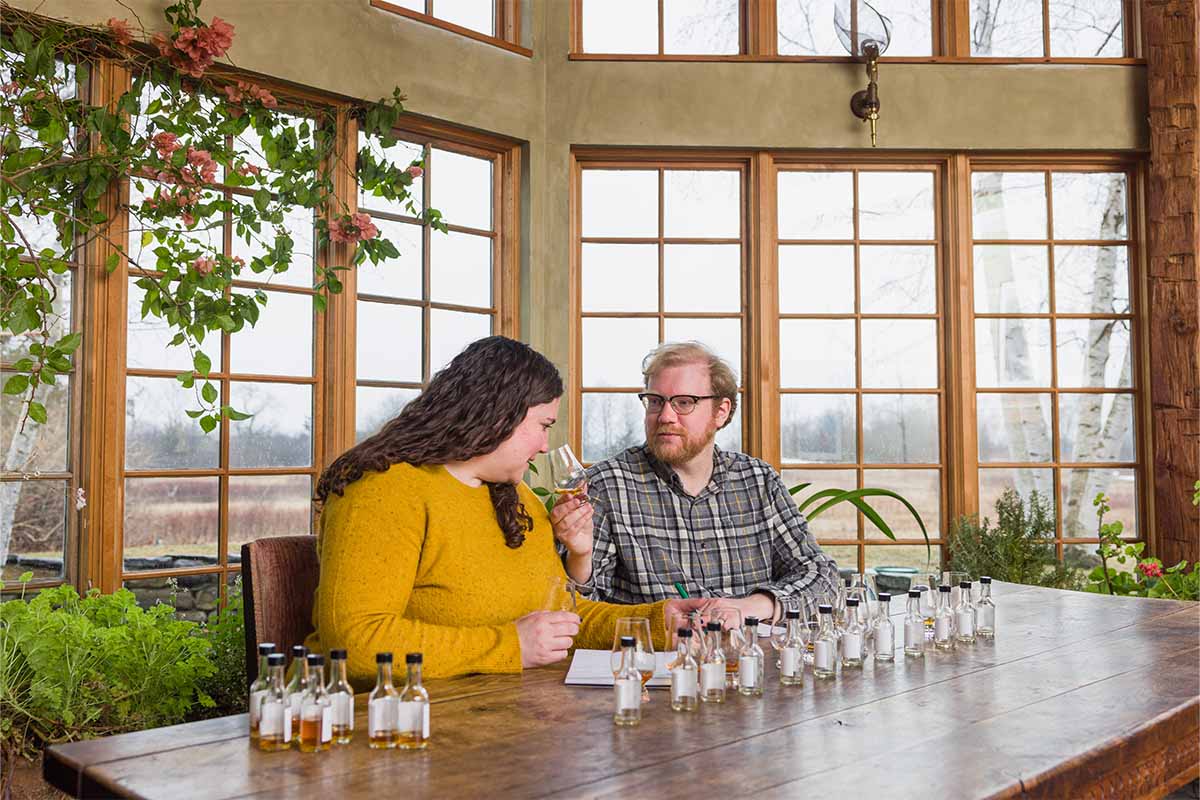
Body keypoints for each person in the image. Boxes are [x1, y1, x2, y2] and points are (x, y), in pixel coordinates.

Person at [306, 336, 707, 688]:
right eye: (543, 425)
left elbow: (561, 619)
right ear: (498, 415)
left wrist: (661, 620)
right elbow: (356, 643)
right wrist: (510, 645)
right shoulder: (383, 491)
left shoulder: (516, 498)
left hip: (501, 717)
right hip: (384, 725)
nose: (546, 446)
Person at [554, 341, 839, 623]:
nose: (665, 416)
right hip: (656, 664)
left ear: (721, 411)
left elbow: (821, 576)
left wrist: (752, 606)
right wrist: (580, 557)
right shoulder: (607, 485)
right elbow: (580, 610)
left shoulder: (758, 481)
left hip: (750, 661)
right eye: (655, 401)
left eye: (684, 403)